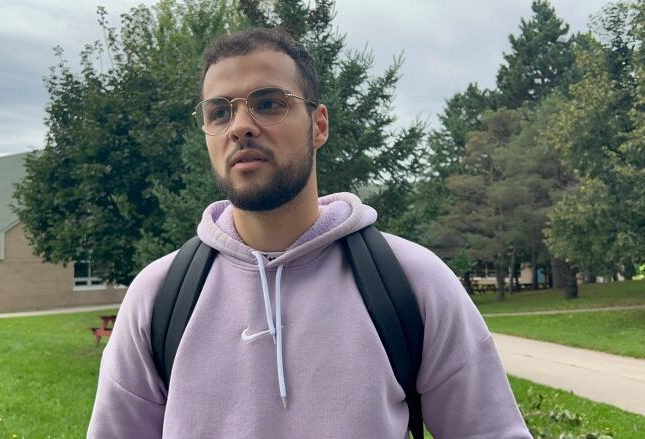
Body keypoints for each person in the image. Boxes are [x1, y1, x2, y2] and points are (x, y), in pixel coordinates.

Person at [88, 27, 531, 438]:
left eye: (268, 103)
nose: (240, 126)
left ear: (318, 125)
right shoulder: (159, 296)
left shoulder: (411, 282)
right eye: (219, 112)